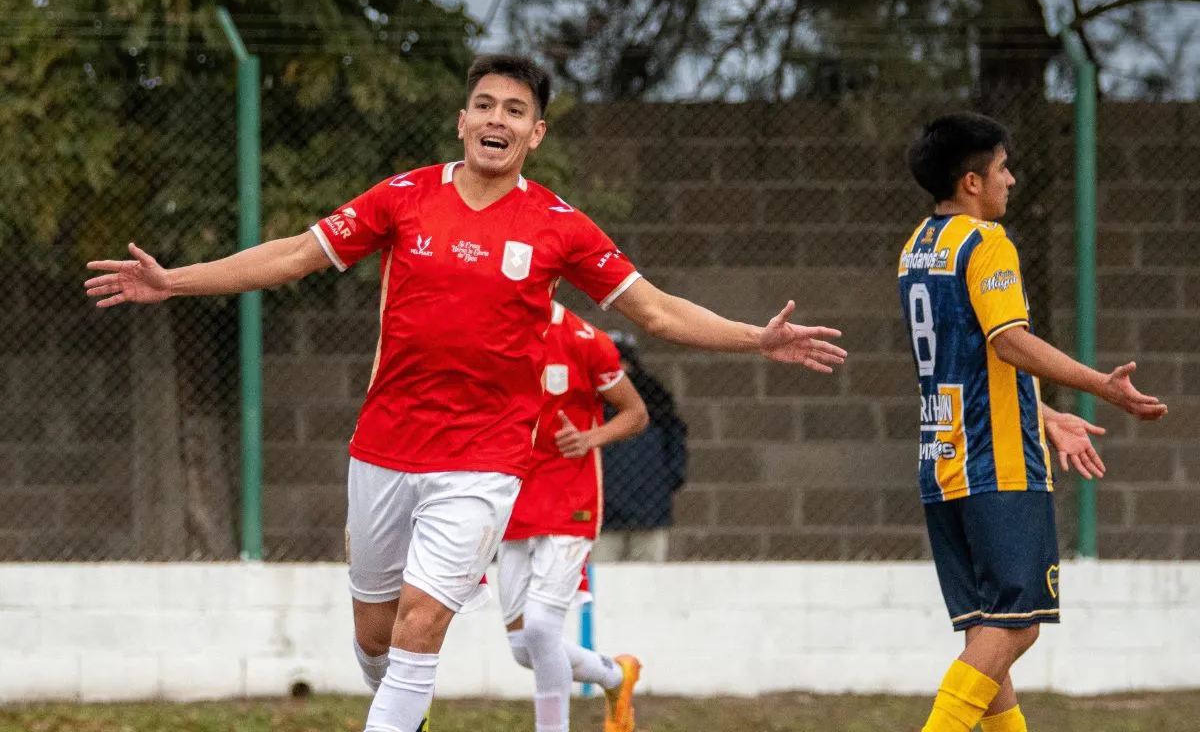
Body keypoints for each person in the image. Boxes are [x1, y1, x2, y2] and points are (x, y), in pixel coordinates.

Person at [85, 53, 847, 732]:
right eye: (485, 104)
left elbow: (653, 308)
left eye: (515, 110)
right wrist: (173, 281)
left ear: (535, 135)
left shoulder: (558, 226)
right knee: (376, 635)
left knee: (423, 624)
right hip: (384, 448)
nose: (497, 119)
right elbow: (294, 254)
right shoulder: (403, 198)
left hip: (483, 463)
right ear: (462, 121)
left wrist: (754, 336)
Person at [898, 111, 1168, 732]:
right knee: (1015, 625)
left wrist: (1042, 412)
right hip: (998, 461)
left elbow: (959, 358)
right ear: (972, 182)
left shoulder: (917, 248)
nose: (1011, 180)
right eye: (1002, 168)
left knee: (983, 632)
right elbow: (1008, 342)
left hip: (943, 458)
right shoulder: (986, 242)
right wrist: (1103, 386)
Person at [499, 300, 648, 732]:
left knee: (542, 629)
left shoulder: (587, 342)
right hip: (511, 500)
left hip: (570, 498)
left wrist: (589, 438)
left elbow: (636, 413)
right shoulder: (493, 331)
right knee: (522, 648)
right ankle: (616, 675)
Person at [592, 330, 686, 563]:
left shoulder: (656, 400)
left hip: (649, 513)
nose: (621, 371)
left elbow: (677, 449)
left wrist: (666, 482)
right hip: (603, 516)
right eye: (613, 364)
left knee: (648, 583)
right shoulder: (590, 401)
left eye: (625, 362)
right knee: (601, 582)